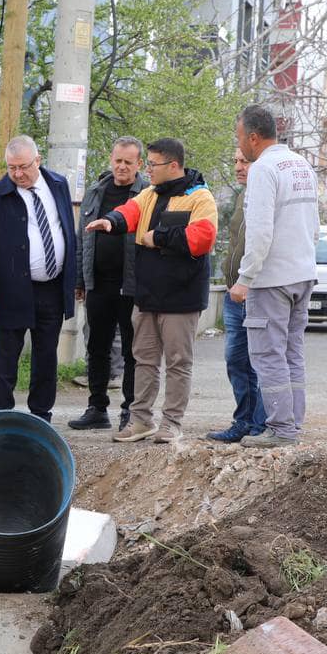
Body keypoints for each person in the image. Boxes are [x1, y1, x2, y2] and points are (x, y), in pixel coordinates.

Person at [86, 137, 218, 443]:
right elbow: (129, 212)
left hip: (181, 298)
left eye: (152, 164)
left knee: (177, 362)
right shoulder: (149, 194)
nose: (148, 169)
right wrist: (110, 221)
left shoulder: (200, 198)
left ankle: (171, 423)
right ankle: (141, 420)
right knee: (143, 360)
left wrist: (155, 238)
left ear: (173, 165)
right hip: (147, 295)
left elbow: (201, 239)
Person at [0, 135, 78, 423]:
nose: (18, 174)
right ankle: (2, 415)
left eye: (24, 167)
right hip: (10, 290)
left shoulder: (58, 185)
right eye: (11, 168)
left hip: (52, 289)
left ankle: (41, 417)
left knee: (46, 357)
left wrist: (73, 280)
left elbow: (68, 231)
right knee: (6, 358)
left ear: (38, 161)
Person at [230, 104, 320, 448]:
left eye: (240, 137)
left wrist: (245, 278)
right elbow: (313, 225)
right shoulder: (301, 165)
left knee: (268, 355)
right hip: (302, 273)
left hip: (272, 279)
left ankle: (281, 430)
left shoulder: (264, 169)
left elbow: (260, 231)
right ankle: (293, 424)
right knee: (292, 353)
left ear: (253, 136)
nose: (240, 144)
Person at [68, 136, 148, 432]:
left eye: (129, 162)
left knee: (132, 351)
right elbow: (82, 240)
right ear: (111, 160)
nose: (122, 167)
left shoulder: (147, 195)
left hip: (132, 287)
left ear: (139, 164)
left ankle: (130, 411)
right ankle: (97, 408)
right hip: (98, 284)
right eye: (118, 160)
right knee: (96, 347)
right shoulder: (95, 192)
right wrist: (80, 280)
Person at [206, 149, 267, 442]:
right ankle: (243, 421)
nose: (238, 167)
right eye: (235, 161)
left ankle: (261, 425)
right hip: (234, 293)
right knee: (236, 360)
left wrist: (249, 281)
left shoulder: (266, 196)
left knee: (261, 362)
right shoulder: (243, 195)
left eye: (245, 161)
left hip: (257, 292)